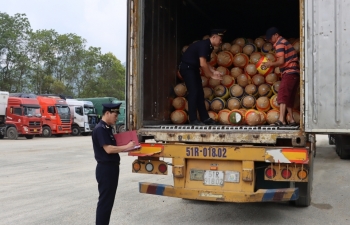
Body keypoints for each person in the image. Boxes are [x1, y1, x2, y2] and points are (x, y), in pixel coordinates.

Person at [92, 103, 136, 225]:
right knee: (105, 202)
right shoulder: (100, 129)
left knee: (108, 202)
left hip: (111, 168)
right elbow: (109, 149)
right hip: (106, 169)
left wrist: (128, 146)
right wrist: (126, 146)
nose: (116, 118)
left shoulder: (107, 128)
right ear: (107, 113)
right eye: (115, 115)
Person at [179, 29, 225, 125]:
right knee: (194, 92)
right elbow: (203, 64)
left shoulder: (209, 46)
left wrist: (213, 71)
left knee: (200, 93)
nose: (221, 42)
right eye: (220, 39)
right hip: (187, 68)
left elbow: (207, 63)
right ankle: (193, 119)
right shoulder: (204, 45)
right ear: (214, 37)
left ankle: (205, 118)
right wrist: (211, 75)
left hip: (193, 69)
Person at [263, 27, 300, 126]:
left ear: (276, 35)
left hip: (289, 72)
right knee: (289, 97)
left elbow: (281, 61)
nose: (270, 41)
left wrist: (270, 64)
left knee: (282, 95)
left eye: (270, 38)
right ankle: (291, 119)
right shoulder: (284, 42)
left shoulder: (280, 43)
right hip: (294, 73)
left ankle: (281, 120)